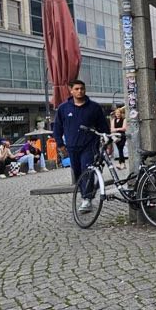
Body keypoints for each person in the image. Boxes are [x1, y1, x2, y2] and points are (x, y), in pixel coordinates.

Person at [53, 79, 108, 211]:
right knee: (78, 173)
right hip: (72, 146)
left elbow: (103, 126)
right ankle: (86, 194)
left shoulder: (94, 107)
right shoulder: (63, 108)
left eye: (82, 88)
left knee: (87, 170)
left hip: (90, 145)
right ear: (71, 91)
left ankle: (87, 199)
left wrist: (107, 141)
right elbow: (57, 128)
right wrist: (60, 144)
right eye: (76, 89)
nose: (80, 91)